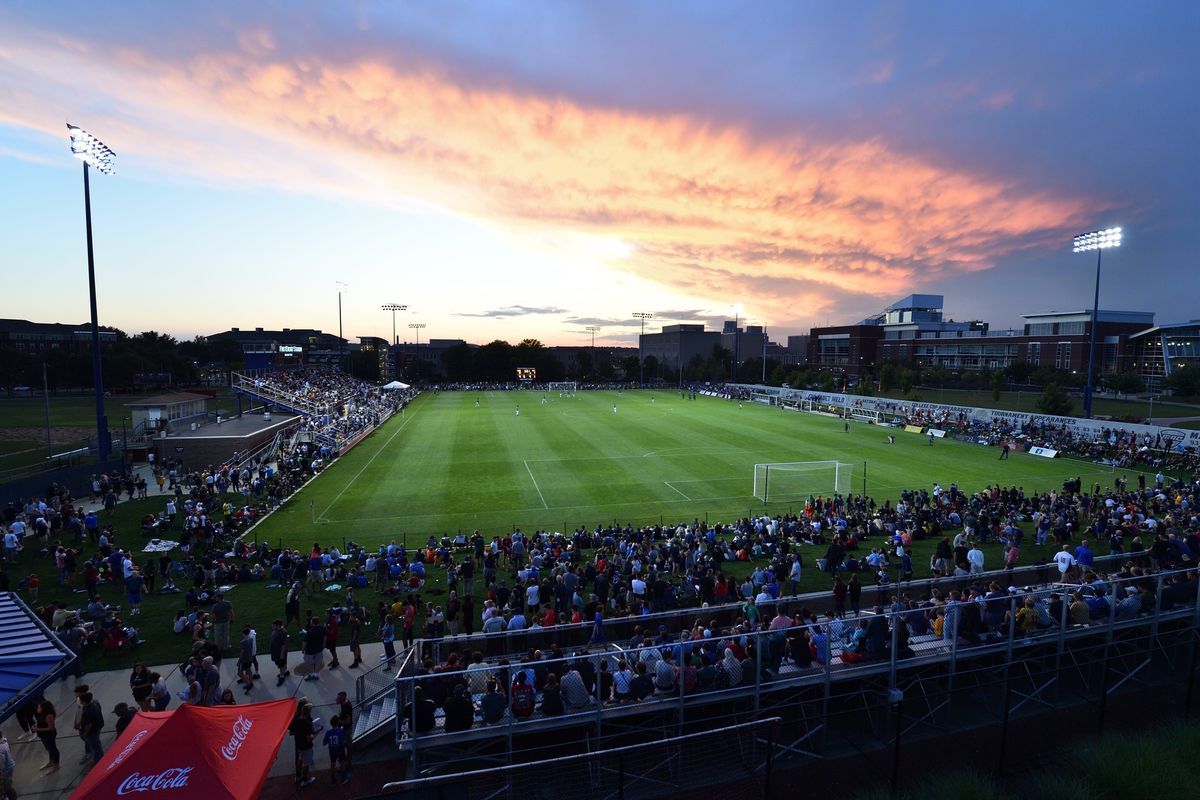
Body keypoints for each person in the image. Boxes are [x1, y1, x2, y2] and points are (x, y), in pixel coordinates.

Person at [290, 702, 317, 787]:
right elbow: (309, 738)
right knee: (306, 764)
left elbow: (291, 731)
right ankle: (305, 780)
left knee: (300, 759)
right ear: (309, 712)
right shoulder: (307, 724)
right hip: (306, 746)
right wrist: (317, 733)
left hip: (298, 745)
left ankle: (298, 776)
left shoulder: (297, 720)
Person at [31, 699, 58, 771]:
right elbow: (41, 723)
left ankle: (56, 765)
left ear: (44, 708)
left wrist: (37, 729)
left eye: (39, 707)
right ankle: (51, 762)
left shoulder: (49, 716)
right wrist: (36, 725)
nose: (38, 708)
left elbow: (51, 728)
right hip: (43, 735)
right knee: (49, 749)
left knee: (53, 749)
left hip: (49, 735)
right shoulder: (42, 714)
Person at [323, 715, 350, 785]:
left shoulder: (328, 732)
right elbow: (344, 742)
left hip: (332, 750)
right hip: (340, 750)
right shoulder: (341, 731)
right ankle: (343, 779)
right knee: (342, 763)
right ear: (338, 722)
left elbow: (324, 743)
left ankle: (333, 779)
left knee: (333, 764)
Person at [78, 692, 104, 766]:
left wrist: (85, 733)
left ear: (84, 701)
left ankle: (97, 761)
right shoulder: (95, 703)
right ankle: (100, 756)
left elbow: (88, 725)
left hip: (92, 731)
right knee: (97, 744)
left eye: (80, 700)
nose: (79, 701)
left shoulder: (88, 711)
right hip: (97, 727)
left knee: (95, 746)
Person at [270, 619, 291, 686]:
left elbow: (283, 644)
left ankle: (282, 676)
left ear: (278, 626)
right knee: (282, 663)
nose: (272, 627)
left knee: (281, 664)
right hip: (276, 651)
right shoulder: (276, 631)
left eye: (273, 626)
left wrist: (282, 654)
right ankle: (285, 671)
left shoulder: (282, 632)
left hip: (280, 652)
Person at [238, 626, 256, 694]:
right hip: (249, 658)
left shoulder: (242, 642)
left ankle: (248, 684)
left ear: (243, 633)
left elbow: (242, 652)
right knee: (249, 670)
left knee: (240, 672)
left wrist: (239, 661)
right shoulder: (251, 639)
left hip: (244, 660)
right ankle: (250, 682)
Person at [0, 730, 15, 800]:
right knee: (8, 786)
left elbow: (1, 764)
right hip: (9, 766)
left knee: (6, 788)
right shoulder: (4, 740)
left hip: (5, 771)